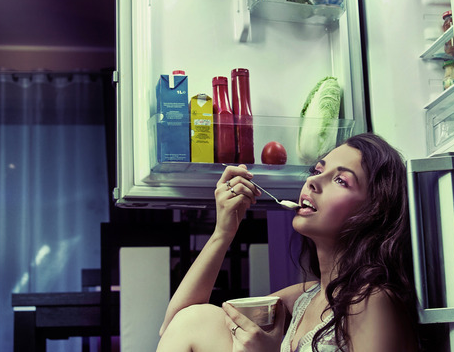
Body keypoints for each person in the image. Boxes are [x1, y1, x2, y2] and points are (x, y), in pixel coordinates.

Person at [157, 133, 419, 352]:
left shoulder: (372, 300)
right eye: (317, 170)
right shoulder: (304, 298)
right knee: (198, 318)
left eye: (341, 180)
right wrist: (223, 233)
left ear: (374, 210)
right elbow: (176, 327)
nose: (312, 181)